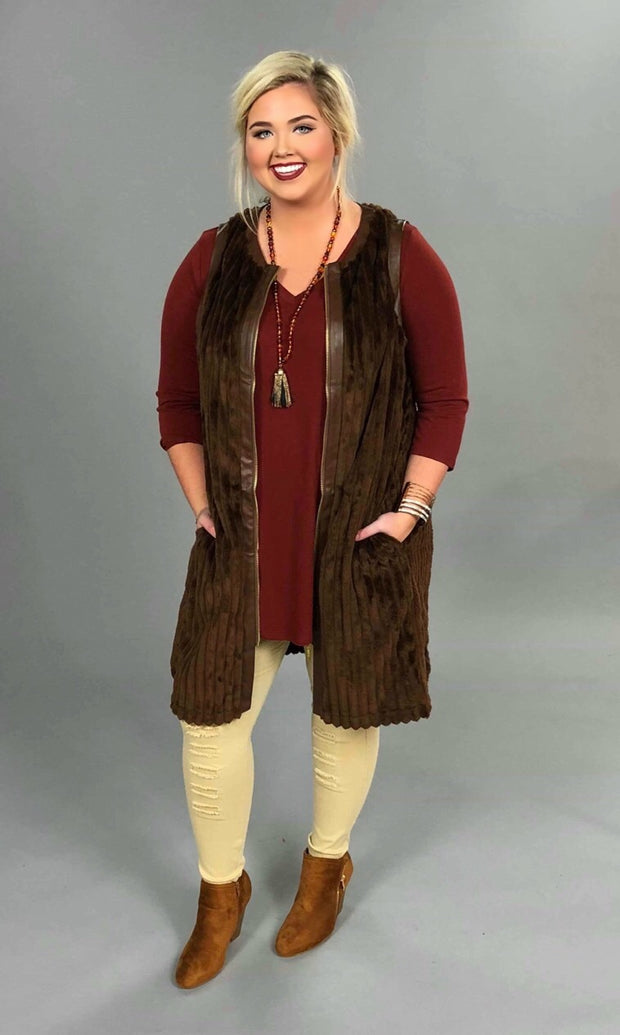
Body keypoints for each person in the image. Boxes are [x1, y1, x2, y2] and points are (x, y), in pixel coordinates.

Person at [156, 50, 469, 989]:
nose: (282, 146)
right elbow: (176, 400)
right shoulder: (212, 258)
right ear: (245, 147)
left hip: (359, 536)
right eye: (262, 130)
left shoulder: (398, 253)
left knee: (346, 707)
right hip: (244, 539)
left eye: (300, 125)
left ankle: (326, 867)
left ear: (336, 134)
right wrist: (202, 503)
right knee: (209, 718)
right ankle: (222, 891)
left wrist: (409, 511)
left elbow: (445, 399)